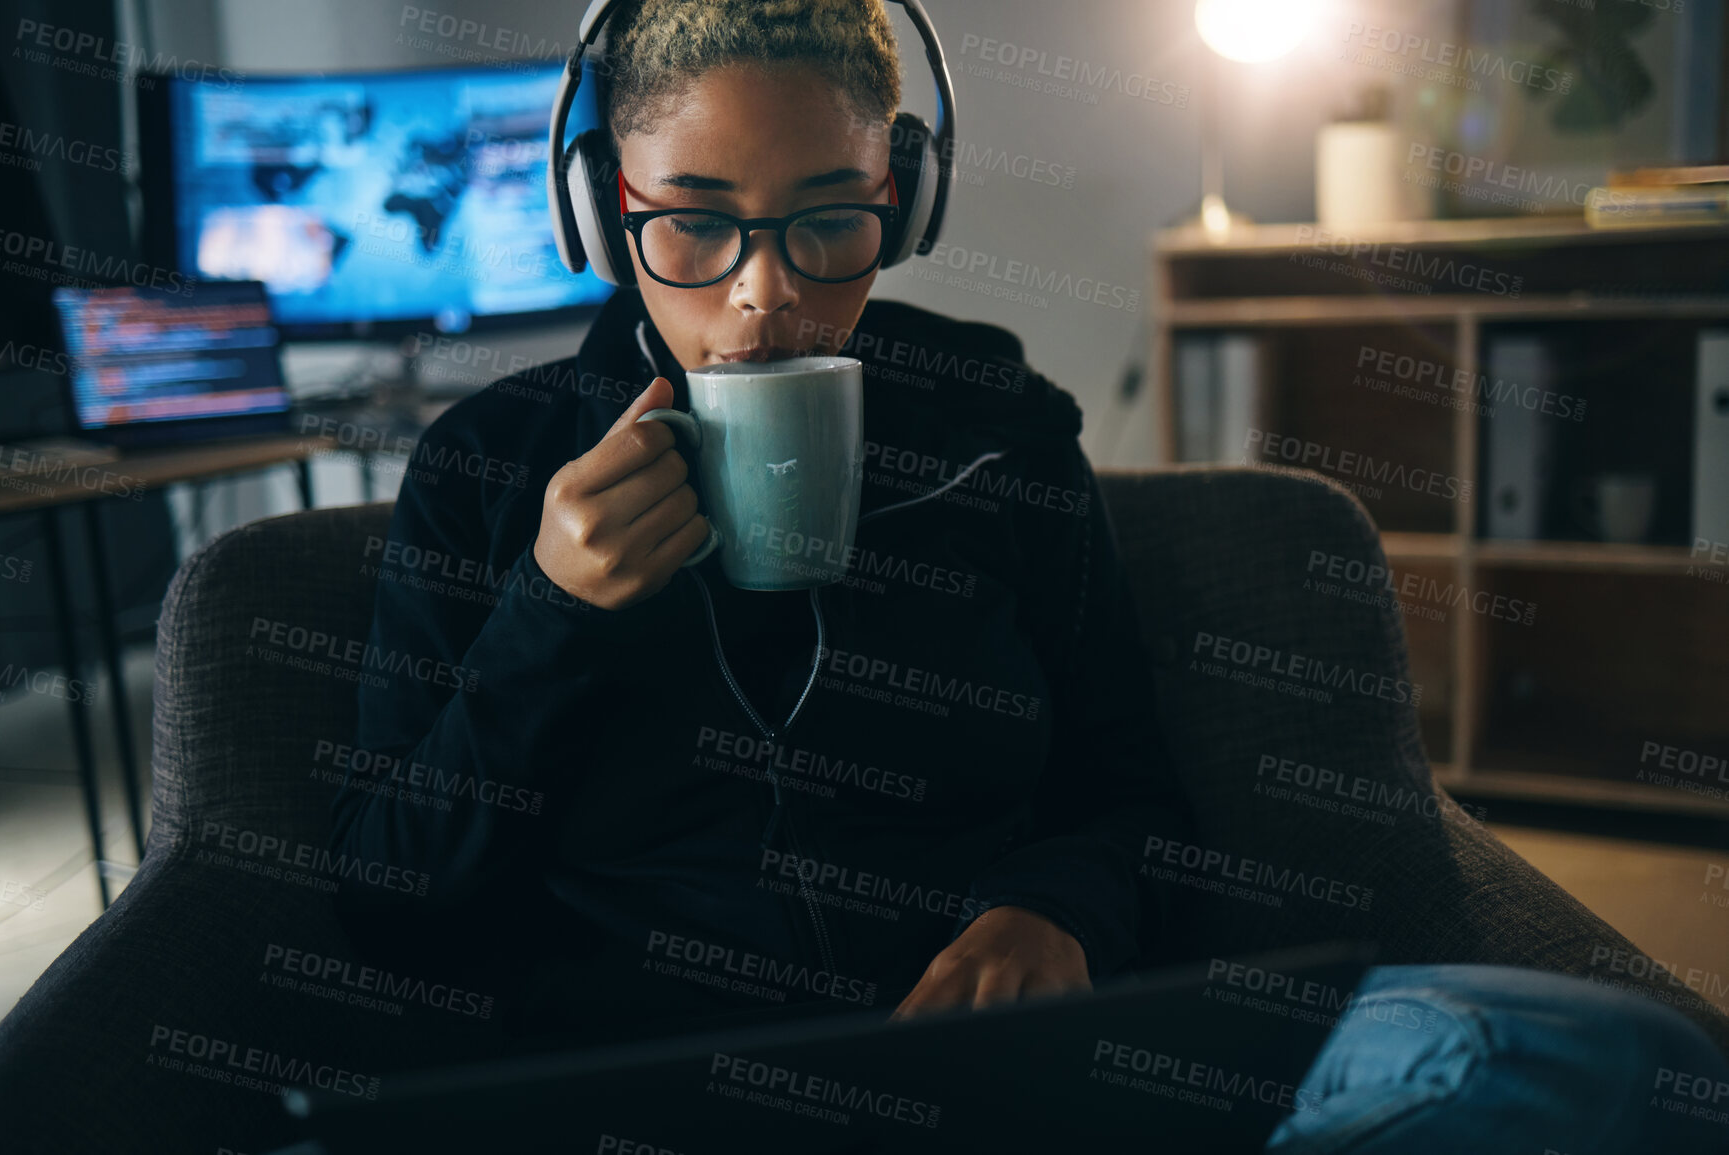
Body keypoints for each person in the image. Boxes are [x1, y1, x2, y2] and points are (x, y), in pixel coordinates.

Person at [328, 1, 1729, 1150]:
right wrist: (550, 618)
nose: (767, 297)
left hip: (1007, 1081)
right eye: (691, 224)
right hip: (652, 1093)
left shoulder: (996, 429)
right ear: (599, 204)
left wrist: (1055, 911)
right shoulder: (490, 473)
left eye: (831, 220)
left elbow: (1128, 790)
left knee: (1610, 1059)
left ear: (903, 195)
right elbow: (388, 901)